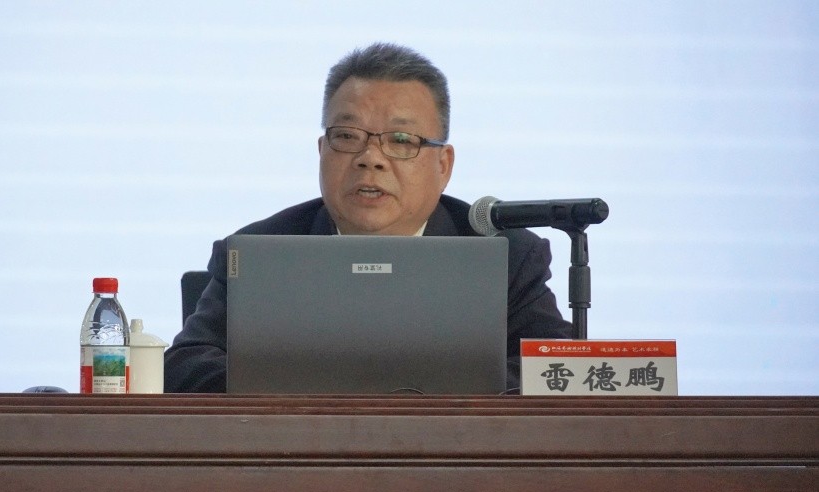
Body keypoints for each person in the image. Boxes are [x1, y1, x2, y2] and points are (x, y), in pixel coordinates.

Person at [164, 42, 572, 393]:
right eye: (347, 137)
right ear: (321, 151)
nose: (370, 159)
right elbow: (185, 366)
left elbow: (557, 370)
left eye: (401, 140)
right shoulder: (256, 253)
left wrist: (404, 398)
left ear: (443, 165)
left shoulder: (507, 255)